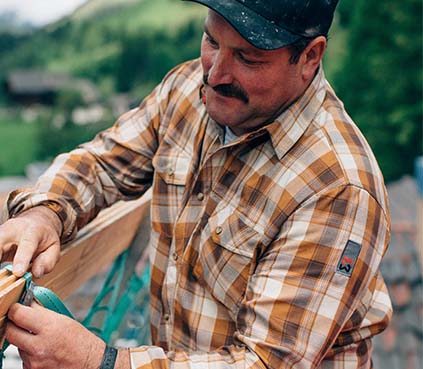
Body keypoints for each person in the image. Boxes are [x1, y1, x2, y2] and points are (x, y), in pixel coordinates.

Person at [0, 0, 392, 368]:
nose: (215, 73)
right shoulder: (189, 90)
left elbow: (261, 362)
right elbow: (104, 163)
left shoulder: (338, 189)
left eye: (247, 58)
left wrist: (98, 360)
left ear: (309, 57)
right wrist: (44, 212)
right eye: (211, 40)